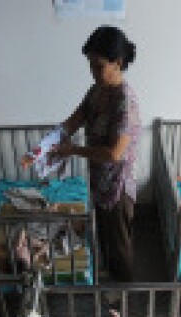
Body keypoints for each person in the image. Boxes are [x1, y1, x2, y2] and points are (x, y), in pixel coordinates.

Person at [46, 26, 141, 283]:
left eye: (99, 66)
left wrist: (73, 149)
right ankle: (108, 272)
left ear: (118, 63)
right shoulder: (97, 90)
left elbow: (114, 153)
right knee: (105, 235)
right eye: (90, 65)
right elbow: (76, 119)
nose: (93, 72)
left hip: (118, 187)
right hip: (100, 180)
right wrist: (49, 141)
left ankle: (124, 296)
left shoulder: (125, 101)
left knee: (120, 244)